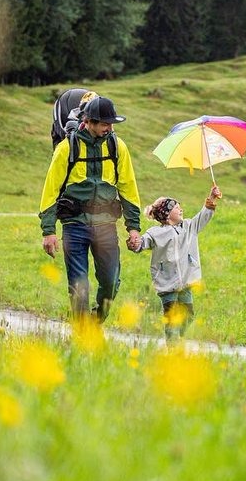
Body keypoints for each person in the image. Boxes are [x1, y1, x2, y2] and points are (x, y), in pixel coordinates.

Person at [38, 96, 142, 322]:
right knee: (79, 284)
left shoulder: (117, 146)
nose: (110, 128)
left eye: (111, 123)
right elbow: (51, 190)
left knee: (111, 281)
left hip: (106, 225)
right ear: (89, 121)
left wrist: (134, 228)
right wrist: (48, 231)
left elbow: (128, 187)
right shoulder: (67, 148)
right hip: (74, 226)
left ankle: (97, 320)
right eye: (105, 123)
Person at [134, 185, 222, 340]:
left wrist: (212, 197)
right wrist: (135, 243)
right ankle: (173, 348)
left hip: (186, 282)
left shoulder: (189, 226)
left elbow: (203, 216)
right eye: (177, 208)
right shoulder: (155, 233)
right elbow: (142, 243)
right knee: (172, 319)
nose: (181, 210)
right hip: (167, 284)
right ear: (167, 214)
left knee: (188, 317)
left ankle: (178, 340)